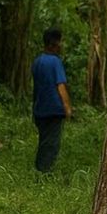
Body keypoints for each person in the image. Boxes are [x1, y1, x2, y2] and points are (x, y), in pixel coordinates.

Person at [31, 27, 72, 173]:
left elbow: (36, 88)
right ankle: (43, 174)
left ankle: (39, 171)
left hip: (40, 109)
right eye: (61, 41)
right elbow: (60, 85)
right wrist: (67, 108)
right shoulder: (55, 62)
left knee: (44, 142)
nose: (62, 45)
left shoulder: (37, 62)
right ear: (54, 43)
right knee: (52, 144)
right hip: (54, 109)